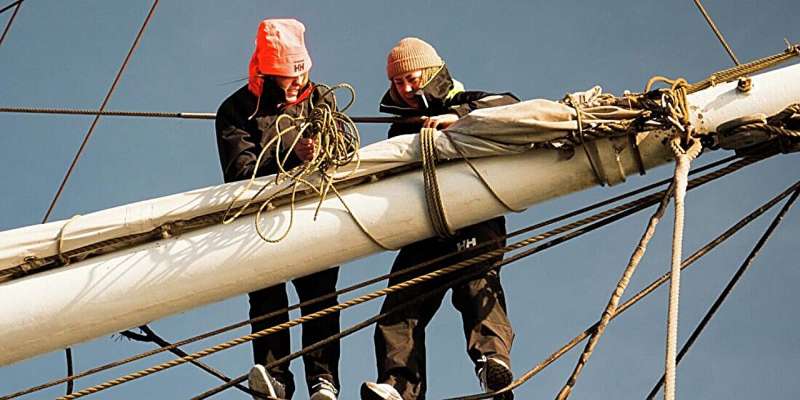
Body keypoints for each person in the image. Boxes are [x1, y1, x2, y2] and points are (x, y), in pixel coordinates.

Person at [360, 37, 519, 400]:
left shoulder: (470, 102)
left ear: (432, 73)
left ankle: (494, 365)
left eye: (412, 78)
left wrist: (459, 119)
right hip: (426, 229)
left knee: (476, 284)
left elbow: (510, 105)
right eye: (397, 83)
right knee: (400, 306)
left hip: (474, 217)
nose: (406, 88)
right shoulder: (400, 130)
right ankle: (398, 387)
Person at [215, 18, 340, 400]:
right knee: (267, 297)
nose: (297, 84)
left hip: (313, 212)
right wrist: (292, 154)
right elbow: (240, 171)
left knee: (319, 296)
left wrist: (324, 152)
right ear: (268, 74)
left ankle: (323, 379)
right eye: (288, 77)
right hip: (261, 220)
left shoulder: (320, 98)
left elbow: (345, 148)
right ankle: (275, 379)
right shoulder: (236, 110)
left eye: (301, 74)